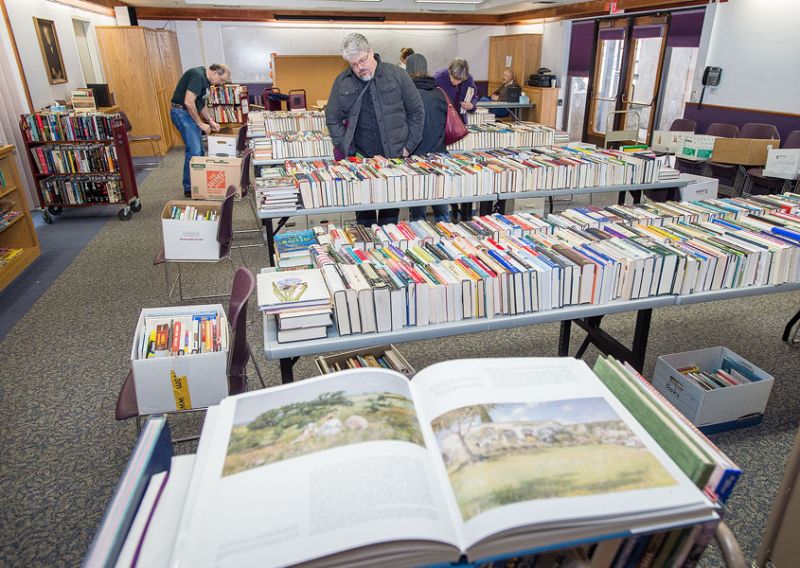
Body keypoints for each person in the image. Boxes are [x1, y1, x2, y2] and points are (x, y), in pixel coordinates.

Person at [326, 33, 424, 227]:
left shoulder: (397, 75)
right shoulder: (342, 81)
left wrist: (407, 148)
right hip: (360, 160)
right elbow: (332, 117)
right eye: (353, 65)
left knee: (390, 217)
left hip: (394, 158)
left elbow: (417, 112)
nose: (359, 68)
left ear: (371, 52)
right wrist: (344, 145)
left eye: (362, 60)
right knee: (364, 218)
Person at [170, 64, 230, 197]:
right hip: (181, 112)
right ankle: (189, 188)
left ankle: (198, 182)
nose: (221, 83)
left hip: (187, 112)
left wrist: (210, 121)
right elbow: (189, 102)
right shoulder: (198, 76)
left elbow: (199, 104)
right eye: (221, 80)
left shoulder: (205, 79)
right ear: (215, 73)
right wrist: (201, 124)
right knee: (194, 150)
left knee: (200, 150)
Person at [404, 54, 449, 224]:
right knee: (441, 202)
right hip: (439, 153)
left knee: (418, 207)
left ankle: (421, 240)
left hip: (416, 153)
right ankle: (446, 237)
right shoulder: (439, 92)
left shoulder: (407, 94)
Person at [433, 58, 478, 125]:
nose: (456, 82)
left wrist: (471, 106)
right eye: (454, 78)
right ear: (449, 71)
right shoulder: (438, 78)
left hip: (460, 120)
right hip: (442, 121)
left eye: (460, 80)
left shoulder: (468, 79)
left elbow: (474, 97)